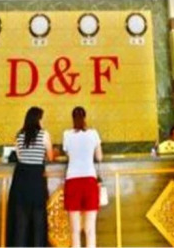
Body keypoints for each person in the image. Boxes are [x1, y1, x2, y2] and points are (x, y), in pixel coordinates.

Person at [6, 107, 53, 247]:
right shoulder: (44, 135)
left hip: (20, 180)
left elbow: (19, 156)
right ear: (38, 120)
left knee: (21, 222)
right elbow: (50, 157)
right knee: (38, 221)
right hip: (36, 180)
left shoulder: (19, 135)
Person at [63, 106, 102, 248]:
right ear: (85, 117)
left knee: (75, 230)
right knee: (90, 230)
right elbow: (99, 157)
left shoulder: (67, 134)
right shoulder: (93, 134)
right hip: (89, 181)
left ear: (72, 118)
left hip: (72, 181)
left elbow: (68, 155)